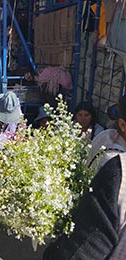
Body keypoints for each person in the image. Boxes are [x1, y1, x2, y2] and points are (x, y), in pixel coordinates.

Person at [43, 95, 126, 260]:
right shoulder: (114, 163)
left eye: (86, 115)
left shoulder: (102, 136)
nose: (82, 119)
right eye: (79, 115)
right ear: (123, 124)